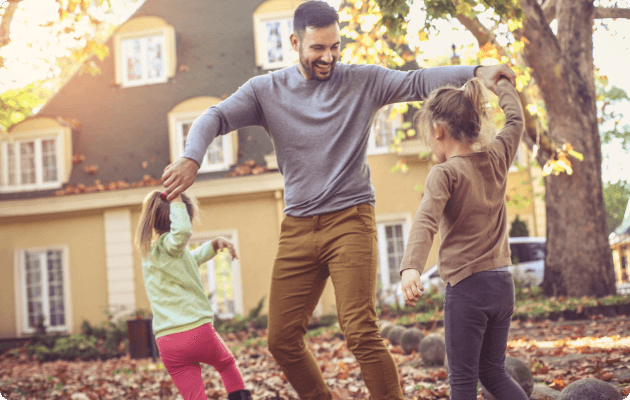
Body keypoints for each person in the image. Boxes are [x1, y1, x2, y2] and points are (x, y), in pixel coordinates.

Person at [161, 1, 516, 398]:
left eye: (335, 47)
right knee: (281, 339)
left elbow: (417, 81)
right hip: (297, 227)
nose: (328, 57)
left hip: (351, 220)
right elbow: (214, 116)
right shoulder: (266, 91)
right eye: (317, 48)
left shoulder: (361, 81)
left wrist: (476, 73)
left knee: (360, 331)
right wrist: (192, 157)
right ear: (294, 42)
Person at [399, 77, 529, 400]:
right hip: (502, 285)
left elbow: (426, 218)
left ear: (439, 131)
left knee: (462, 383)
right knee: (493, 372)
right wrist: (503, 85)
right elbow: (516, 120)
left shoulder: (444, 173)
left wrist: (411, 266)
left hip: (467, 289)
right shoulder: (497, 157)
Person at [135, 190, 252, 400]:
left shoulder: (150, 254)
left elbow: (189, 260)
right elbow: (181, 233)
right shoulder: (172, 244)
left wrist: (214, 245)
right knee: (226, 365)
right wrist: (177, 197)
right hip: (196, 330)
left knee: (194, 396)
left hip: (167, 341)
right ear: (181, 218)